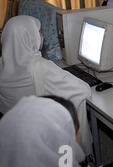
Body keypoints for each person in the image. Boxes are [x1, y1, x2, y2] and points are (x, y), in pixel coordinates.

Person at [0, 16, 92, 155]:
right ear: (29, 36)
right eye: (39, 32)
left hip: (15, 135)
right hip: (42, 133)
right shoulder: (39, 66)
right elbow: (82, 91)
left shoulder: (2, 64)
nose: (42, 36)